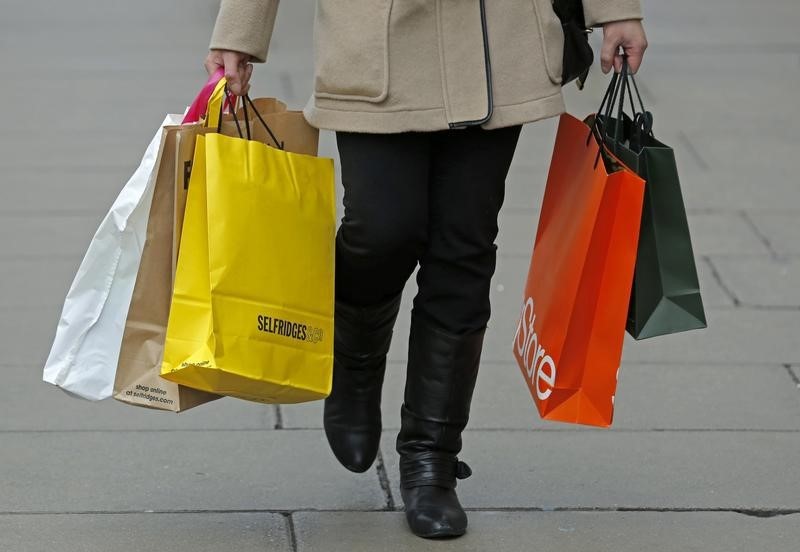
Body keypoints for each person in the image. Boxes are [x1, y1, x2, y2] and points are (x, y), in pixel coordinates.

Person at [204, 0, 647, 539]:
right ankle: (355, 355)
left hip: (497, 40)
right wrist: (241, 30)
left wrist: (617, 10)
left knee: (465, 248)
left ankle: (430, 459)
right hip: (374, 40)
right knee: (381, 231)